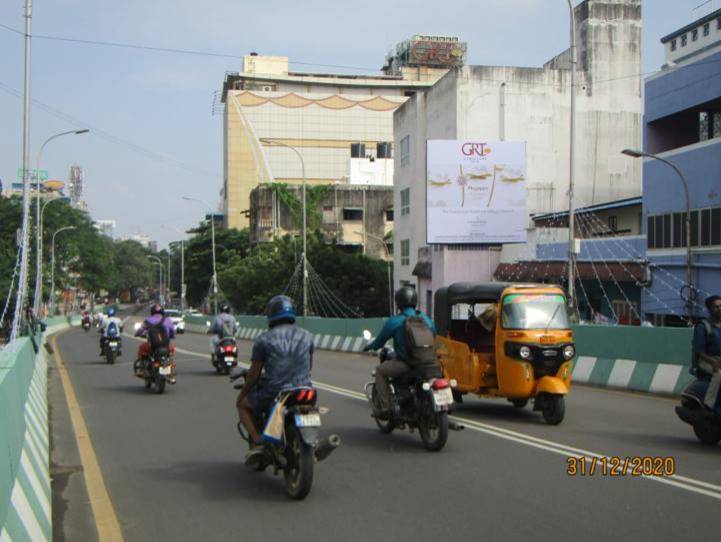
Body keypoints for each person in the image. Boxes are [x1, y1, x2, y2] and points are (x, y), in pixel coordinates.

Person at [235, 295, 313, 463]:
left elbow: (254, 375)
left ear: (271, 314)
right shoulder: (307, 335)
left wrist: (243, 394)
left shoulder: (263, 339)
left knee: (242, 406)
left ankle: (258, 442)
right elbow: (309, 366)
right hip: (305, 389)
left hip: (276, 391)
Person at [363, 286, 435, 417]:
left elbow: (380, 341)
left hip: (407, 364)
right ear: (415, 301)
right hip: (429, 362)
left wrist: (369, 346)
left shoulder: (395, 321)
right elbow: (434, 336)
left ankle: (385, 408)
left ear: (398, 302)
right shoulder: (426, 319)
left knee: (380, 371)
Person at [692, 295, 721, 410]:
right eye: (716, 307)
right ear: (710, 310)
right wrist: (713, 363)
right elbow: (698, 350)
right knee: (719, 374)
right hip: (706, 360)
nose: (719, 309)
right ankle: (709, 406)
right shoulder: (703, 326)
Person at [134, 304, 176, 383]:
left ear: (152, 312)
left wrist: (137, 334)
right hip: (166, 346)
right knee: (171, 352)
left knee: (141, 349)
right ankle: (170, 372)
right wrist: (171, 336)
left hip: (152, 346)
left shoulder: (148, 320)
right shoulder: (168, 320)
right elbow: (172, 333)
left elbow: (140, 330)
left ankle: (143, 370)